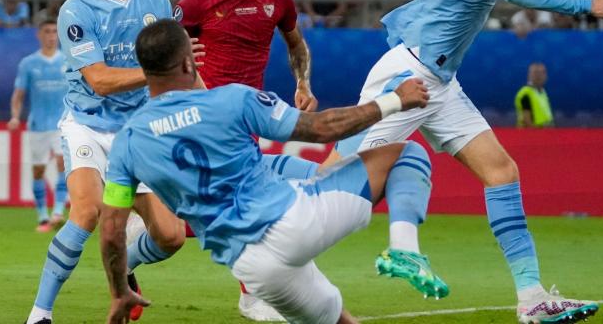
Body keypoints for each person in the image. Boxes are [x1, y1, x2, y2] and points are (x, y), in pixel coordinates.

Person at [290, 0, 603, 323]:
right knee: (334, 180)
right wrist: (587, 3)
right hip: (408, 76)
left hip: (437, 81)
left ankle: (531, 298)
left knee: (502, 172)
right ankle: (276, 262)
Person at [98, 19, 438, 324]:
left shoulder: (127, 143)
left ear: (145, 71)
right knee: (406, 153)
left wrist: (118, 292)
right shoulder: (232, 100)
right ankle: (404, 248)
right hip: (293, 221)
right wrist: (394, 101)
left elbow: (112, 230)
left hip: (253, 268)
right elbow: (321, 129)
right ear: (189, 62)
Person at [24, 0, 204, 324]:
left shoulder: (156, 1)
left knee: (171, 237)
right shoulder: (78, 9)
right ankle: (39, 314)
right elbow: (101, 81)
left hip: (136, 131)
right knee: (86, 212)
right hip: (87, 123)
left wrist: (210, 108)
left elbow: (186, 68)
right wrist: (159, 69)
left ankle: (124, 267)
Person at [176, 0, 321, 321]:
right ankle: (253, 294)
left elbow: (297, 45)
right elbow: (160, 52)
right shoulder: (197, 2)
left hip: (246, 120)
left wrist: (302, 84)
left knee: (189, 222)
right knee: (243, 205)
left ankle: (133, 250)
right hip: (201, 118)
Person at [8, 20, 69, 232]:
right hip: (38, 125)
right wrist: (15, 116)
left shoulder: (68, 61)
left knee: (63, 164)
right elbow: (18, 95)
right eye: (47, 32)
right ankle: (42, 216)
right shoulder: (28, 63)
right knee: (38, 170)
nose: (51, 35)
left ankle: (58, 212)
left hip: (63, 124)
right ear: (39, 35)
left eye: (54, 32)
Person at [514, 63, 553, 128]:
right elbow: (527, 120)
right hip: (532, 134)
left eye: (542, 73)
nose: (538, 76)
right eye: (536, 73)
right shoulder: (526, 94)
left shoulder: (543, 92)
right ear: (529, 75)